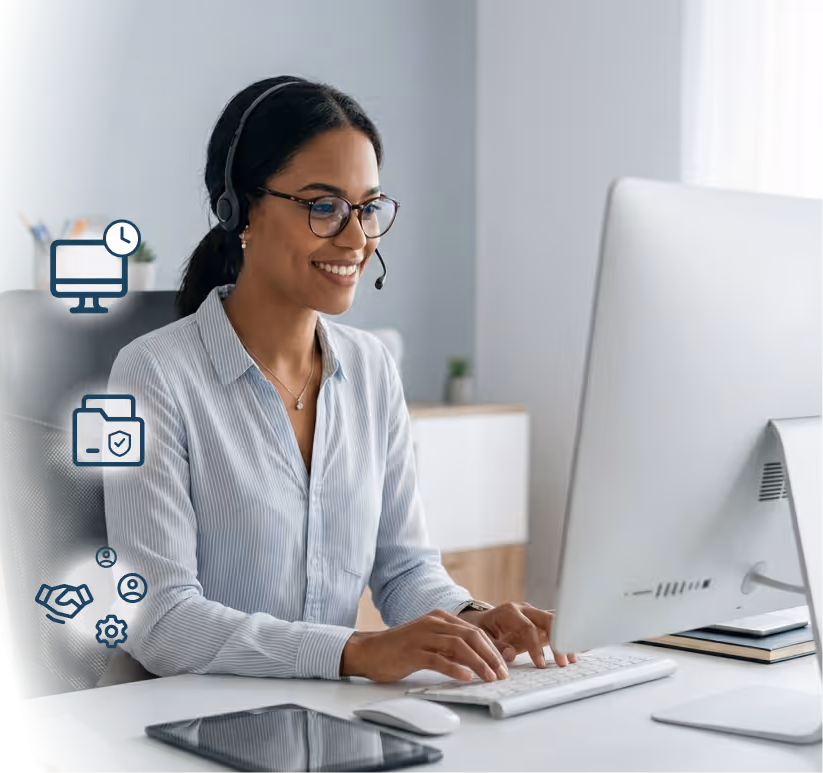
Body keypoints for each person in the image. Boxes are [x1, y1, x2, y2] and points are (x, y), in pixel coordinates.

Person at [99, 75, 577, 688]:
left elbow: (404, 571)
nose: (356, 239)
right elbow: (161, 619)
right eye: (323, 207)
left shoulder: (371, 367)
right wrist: (353, 652)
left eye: (368, 208)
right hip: (176, 714)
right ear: (239, 209)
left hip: (315, 713)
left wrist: (474, 620)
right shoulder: (154, 375)